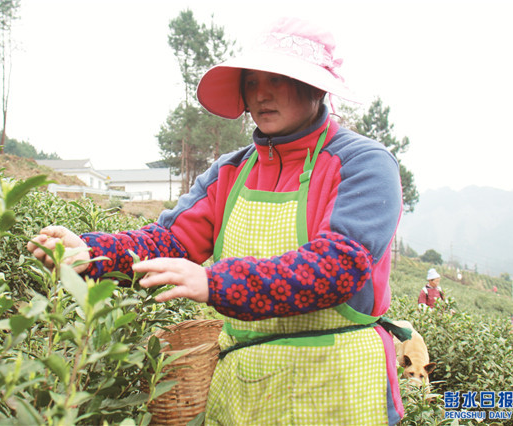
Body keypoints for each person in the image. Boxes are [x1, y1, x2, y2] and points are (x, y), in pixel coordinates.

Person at [28, 17, 404, 425]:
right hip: (243, 389)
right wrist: (92, 254)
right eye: (251, 82)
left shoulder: (362, 164)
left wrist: (214, 282)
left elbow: (337, 267)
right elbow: (170, 241)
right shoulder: (232, 171)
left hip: (336, 388)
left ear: (315, 87)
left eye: (277, 79)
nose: (261, 94)